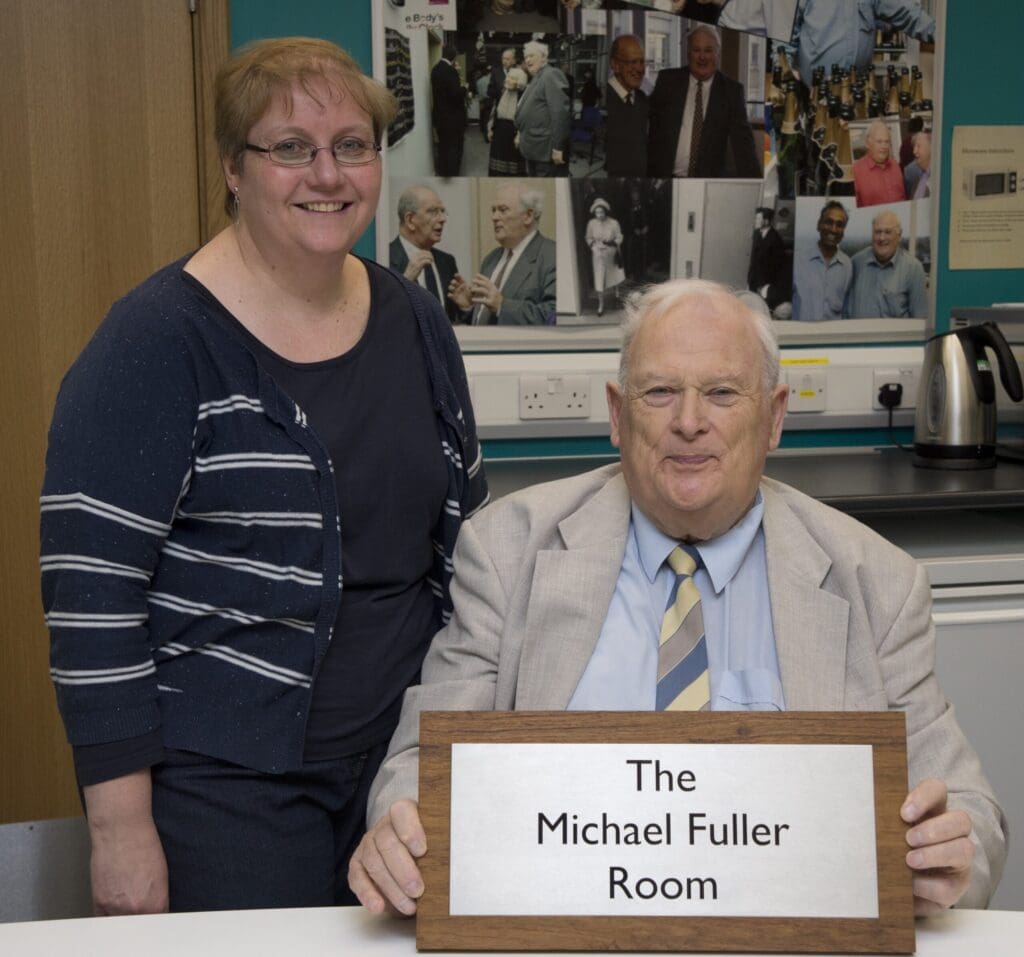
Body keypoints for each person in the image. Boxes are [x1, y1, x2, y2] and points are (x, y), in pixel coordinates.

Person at [349, 279, 1007, 919]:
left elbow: (970, 810)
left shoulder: (877, 582)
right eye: (660, 392)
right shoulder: (509, 551)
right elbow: (419, 766)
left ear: (774, 417)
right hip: (561, 933)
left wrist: (953, 853)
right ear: (616, 412)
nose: (689, 422)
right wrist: (399, 828)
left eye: (722, 393)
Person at [40, 37, 488, 916]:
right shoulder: (157, 342)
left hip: (402, 773)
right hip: (225, 792)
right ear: (234, 169)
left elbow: (466, 539)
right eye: (291, 147)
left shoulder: (414, 319)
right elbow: (91, 597)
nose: (328, 173)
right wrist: (119, 832)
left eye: (352, 145)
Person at [647, 24, 761, 179]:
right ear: (688, 54)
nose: (702, 57)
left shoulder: (732, 91)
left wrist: (754, 184)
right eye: (696, 50)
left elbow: (744, 147)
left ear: (717, 54)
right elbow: (646, 125)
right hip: (665, 179)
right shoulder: (667, 81)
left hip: (706, 182)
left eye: (708, 50)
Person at [453, 182, 557, 325]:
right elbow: (486, 323)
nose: (494, 217)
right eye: (493, 210)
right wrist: (469, 307)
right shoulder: (491, 259)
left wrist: (502, 306)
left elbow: (553, 316)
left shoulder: (553, 255)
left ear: (528, 216)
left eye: (503, 210)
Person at [787, 0, 935, 90]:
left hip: (857, 93)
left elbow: (906, 13)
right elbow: (785, 30)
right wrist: (785, 73)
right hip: (813, 92)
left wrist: (940, 33)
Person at [389, 185, 471, 324]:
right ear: (410, 220)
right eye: (433, 212)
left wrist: (466, 307)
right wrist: (406, 281)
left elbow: (455, 326)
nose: (442, 219)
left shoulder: (447, 262)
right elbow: (381, 318)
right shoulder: (384, 258)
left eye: (442, 211)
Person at [847, 209, 928, 318]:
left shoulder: (914, 269)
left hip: (897, 335)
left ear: (899, 236)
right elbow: (845, 311)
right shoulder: (855, 263)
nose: (882, 238)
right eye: (877, 232)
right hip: (858, 334)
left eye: (888, 232)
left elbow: (920, 319)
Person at [514, 41, 571, 177]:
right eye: (526, 57)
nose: (527, 60)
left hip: (544, 151)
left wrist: (558, 147)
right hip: (533, 148)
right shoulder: (536, 77)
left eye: (531, 56)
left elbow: (560, 114)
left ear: (544, 57)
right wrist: (520, 134)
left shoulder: (551, 74)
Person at [792, 200, 853, 321]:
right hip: (802, 336)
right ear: (818, 225)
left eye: (839, 225)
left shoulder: (847, 265)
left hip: (833, 337)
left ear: (843, 231)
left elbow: (846, 309)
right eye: (829, 222)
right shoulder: (798, 260)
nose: (833, 229)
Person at [604, 34, 649, 178]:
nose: (639, 69)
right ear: (615, 65)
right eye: (632, 62)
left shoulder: (642, 98)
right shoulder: (605, 97)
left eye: (642, 62)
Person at [431, 43, 467, 177]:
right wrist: (464, 88)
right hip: (453, 118)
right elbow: (455, 94)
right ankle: (452, 174)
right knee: (454, 148)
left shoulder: (435, 69)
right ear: (454, 57)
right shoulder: (451, 71)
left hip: (439, 116)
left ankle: (442, 171)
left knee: (443, 147)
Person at [585, 198, 625, 316]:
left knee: (614, 275)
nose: (599, 215)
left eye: (601, 212)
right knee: (599, 278)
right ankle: (601, 304)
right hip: (598, 254)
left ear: (605, 212)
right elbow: (588, 237)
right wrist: (593, 246)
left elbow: (619, 237)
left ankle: (617, 294)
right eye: (597, 212)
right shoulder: (591, 224)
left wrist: (613, 243)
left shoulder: (613, 223)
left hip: (611, 253)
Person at [853, 121, 906, 208]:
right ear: (868, 143)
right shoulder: (856, 171)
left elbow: (903, 197)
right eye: (879, 142)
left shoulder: (895, 165)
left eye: (886, 142)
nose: (884, 146)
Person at [487, 65, 529, 176]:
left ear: (519, 82)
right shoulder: (502, 92)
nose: (507, 80)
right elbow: (494, 110)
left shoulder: (523, 96)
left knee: (513, 168)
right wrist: (490, 129)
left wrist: (519, 136)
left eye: (511, 78)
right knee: (496, 168)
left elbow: (525, 119)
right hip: (499, 131)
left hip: (513, 133)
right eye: (508, 77)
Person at [747, 206, 788, 310]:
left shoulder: (775, 239)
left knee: (761, 309)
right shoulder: (756, 234)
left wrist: (766, 288)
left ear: (766, 221)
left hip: (766, 285)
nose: (755, 221)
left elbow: (777, 268)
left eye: (758, 218)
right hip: (754, 281)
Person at [904, 131, 932, 200]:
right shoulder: (916, 179)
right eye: (914, 147)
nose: (914, 151)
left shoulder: (940, 178)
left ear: (931, 148)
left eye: (918, 146)